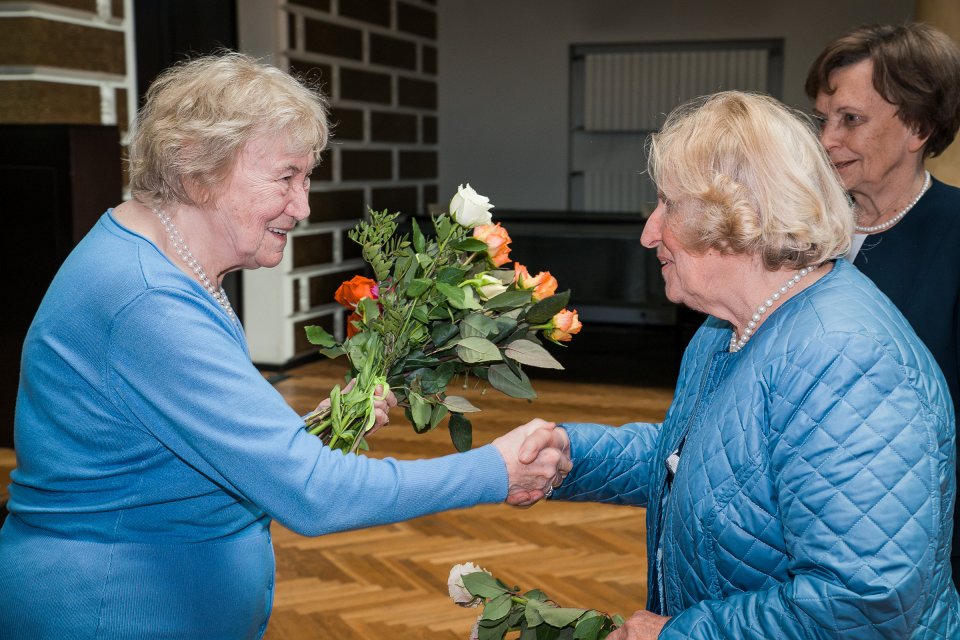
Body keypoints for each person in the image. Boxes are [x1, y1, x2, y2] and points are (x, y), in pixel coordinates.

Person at [0, 52, 569, 638]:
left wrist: (313, 429)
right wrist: (493, 470)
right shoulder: (148, 299)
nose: (303, 206)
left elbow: (174, 444)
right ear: (197, 166)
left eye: (307, 177)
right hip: (111, 609)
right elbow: (312, 495)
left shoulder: (164, 262)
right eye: (286, 177)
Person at [533, 91, 959, 638]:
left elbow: (865, 604)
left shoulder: (849, 362)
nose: (649, 232)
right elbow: (704, 464)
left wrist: (678, 634)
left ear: (743, 211)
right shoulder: (726, 328)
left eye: (669, 204)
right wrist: (569, 458)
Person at [805, 22, 960, 585]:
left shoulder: (955, 233)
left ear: (917, 126)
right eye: (823, 118)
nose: (826, 140)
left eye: (851, 120)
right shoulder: (800, 232)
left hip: (906, 548)